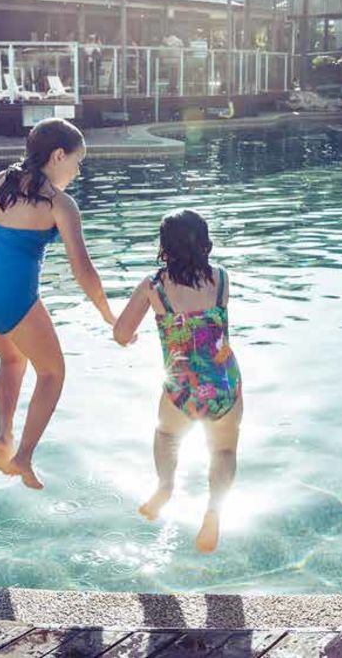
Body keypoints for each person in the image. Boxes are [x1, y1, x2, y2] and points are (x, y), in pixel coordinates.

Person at [0, 118, 115, 490]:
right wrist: (108, 314)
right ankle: (23, 456)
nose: (77, 171)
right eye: (77, 162)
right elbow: (83, 272)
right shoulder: (60, 204)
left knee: (12, 358)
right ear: (58, 156)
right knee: (52, 372)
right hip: (11, 298)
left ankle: (4, 435)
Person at [112, 210, 243, 553]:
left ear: (163, 247)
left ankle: (166, 486)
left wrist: (131, 337)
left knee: (168, 435)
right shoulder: (222, 279)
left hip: (182, 383)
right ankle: (214, 510)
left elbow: (122, 333)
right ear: (206, 245)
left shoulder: (154, 286)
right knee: (224, 450)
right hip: (224, 381)